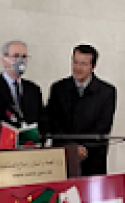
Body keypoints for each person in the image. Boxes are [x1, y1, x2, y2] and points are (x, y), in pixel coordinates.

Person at [47, 44, 116, 176]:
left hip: (93, 159)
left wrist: (83, 148)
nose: (77, 68)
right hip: (63, 157)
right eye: (75, 62)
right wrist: (72, 148)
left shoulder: (107, 92)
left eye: (83, 64)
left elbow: (103, 126)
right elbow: (53, 122)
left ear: (93, 66)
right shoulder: (58, 88)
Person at [0, 40, 46, 132]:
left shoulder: (33, 89)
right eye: (16, 56)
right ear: (4, 60)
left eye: (24, 57)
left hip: (30, 140)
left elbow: (42, 121)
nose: (21, 61)